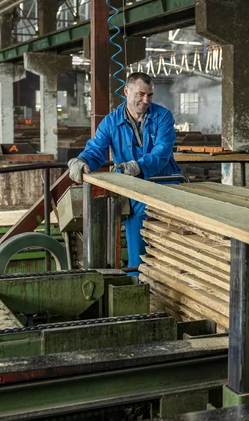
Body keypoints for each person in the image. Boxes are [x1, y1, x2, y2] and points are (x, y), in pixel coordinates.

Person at [67, 72, 181, 276]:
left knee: (173, 244)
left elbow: (163, 152)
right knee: (137, 241)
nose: (145, 100)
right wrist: (82, 161)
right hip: (134, 190)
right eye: (140, 94)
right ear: (126, 92)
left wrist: (138, 166)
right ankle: (138, 280)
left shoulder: (163, 116)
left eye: (150, 95)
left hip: (166, 184)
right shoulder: (111, 122)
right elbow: (96, 149)